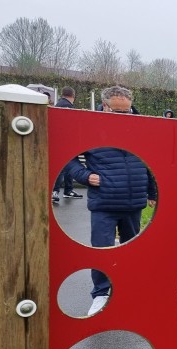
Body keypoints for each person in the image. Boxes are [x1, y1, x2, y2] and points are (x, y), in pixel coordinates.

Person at [66, 85, 157, 316]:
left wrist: (152, 192)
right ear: (105, 106)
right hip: (104, 203)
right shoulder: (90, 127)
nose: (124, 117)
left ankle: (127, 290)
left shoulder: (140, 127)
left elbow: (151, 160)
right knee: (101, 250)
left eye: (127, 111)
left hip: (133, 203)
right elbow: (70, 158)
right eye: (118, 112)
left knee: (131, 250)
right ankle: (101, 294)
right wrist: (85, 176)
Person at [52, 87, 83, 202]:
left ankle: (68, 190)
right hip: (67, 142)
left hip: (59, 141)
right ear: (73, 96)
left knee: (67, 166)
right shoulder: (68, 107)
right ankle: (56, 191)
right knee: (63, 168)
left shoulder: (58, 105)